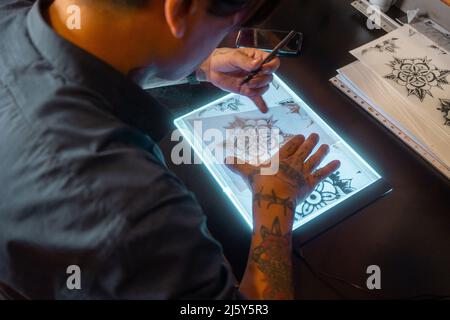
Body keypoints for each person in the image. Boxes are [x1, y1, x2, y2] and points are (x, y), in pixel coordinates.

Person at [0, 0, 340, 299]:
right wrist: (274, 202)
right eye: (229, 26)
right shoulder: (129, 207)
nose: (222, 37)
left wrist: (199, 65)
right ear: (177, 9)